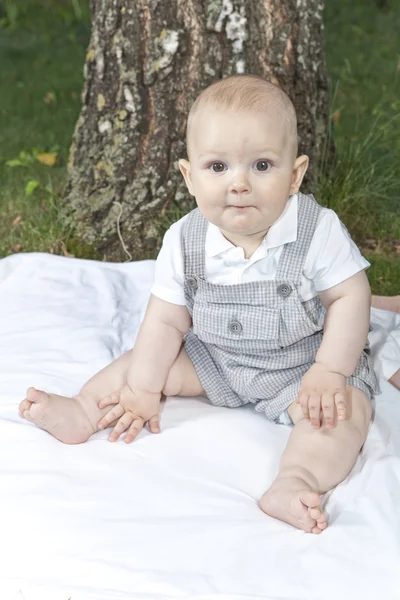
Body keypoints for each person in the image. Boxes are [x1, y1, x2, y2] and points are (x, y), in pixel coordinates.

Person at [19, 74, 381, 534]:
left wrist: (330, 369)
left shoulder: (317, 229)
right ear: (190, 177)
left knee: (342, 413)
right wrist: (145, 390)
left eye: (263, 166)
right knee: (143, 362)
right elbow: (166, 320)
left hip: (302, 368)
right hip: (216, 359)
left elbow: (351, 295)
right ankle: (85, 409)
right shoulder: (185, 239)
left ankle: (295, 480)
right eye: (218, 167)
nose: (240, 184)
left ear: (296, 174)